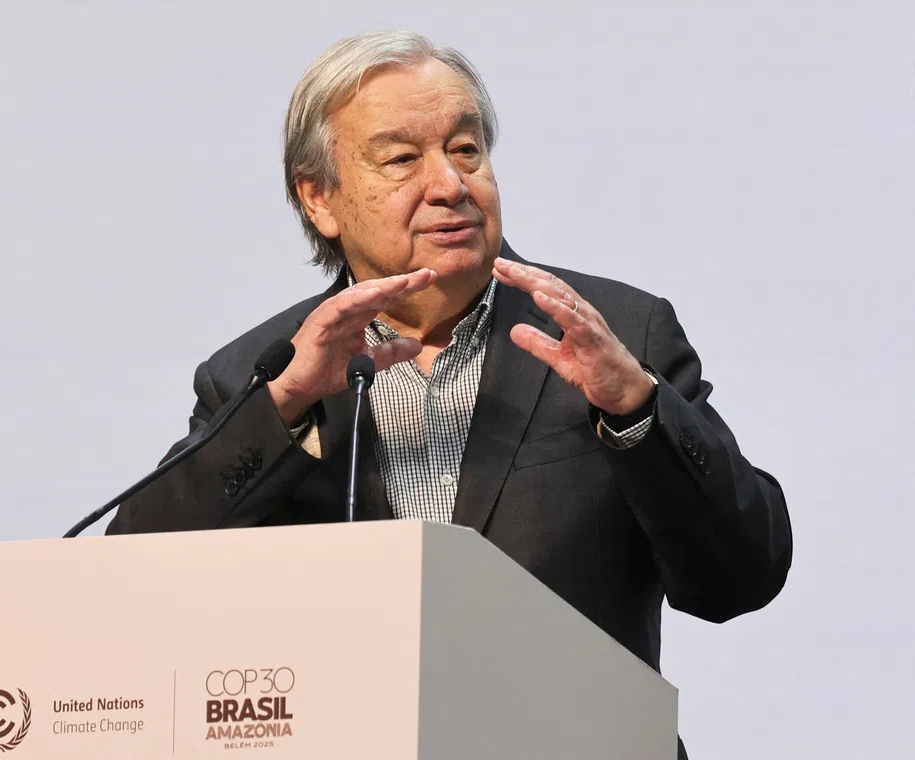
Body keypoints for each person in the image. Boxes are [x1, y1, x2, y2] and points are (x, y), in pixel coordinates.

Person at [105, 30, 792, 758]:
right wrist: (284, 410)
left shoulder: (616, 336)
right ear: (320, 199)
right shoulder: (262, 371)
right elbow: (134, 576)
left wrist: (637, 411)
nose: (450, 184)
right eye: (402, 159)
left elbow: (741, 577)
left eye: (466, 150)